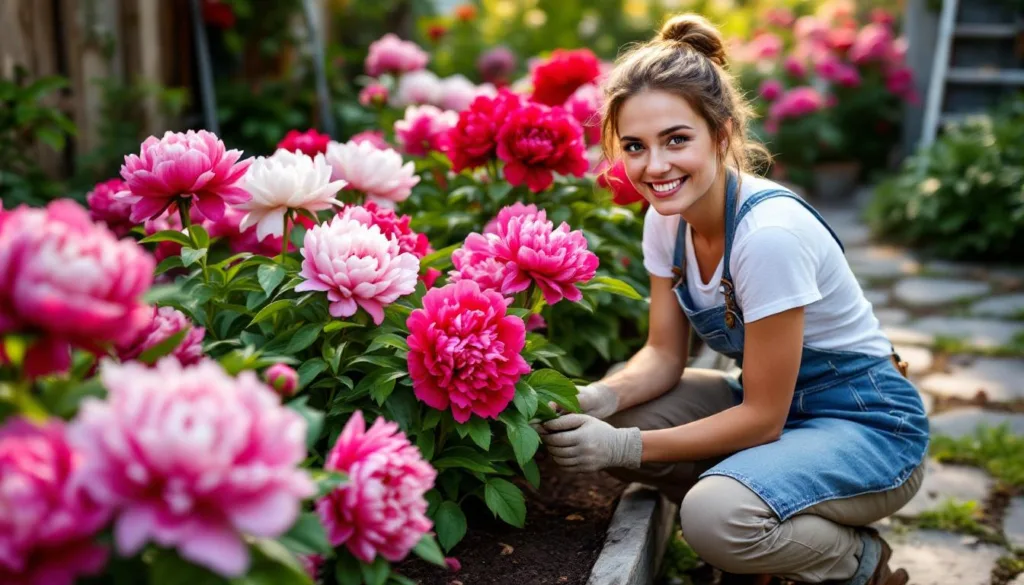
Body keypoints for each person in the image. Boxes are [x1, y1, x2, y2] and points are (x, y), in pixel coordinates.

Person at [536, 13, 928, 585]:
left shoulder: (768, 237)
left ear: (720, 135)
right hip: (780, 411)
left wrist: (621, 446)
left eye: (677, 140)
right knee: (631, 409)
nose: (655, 166)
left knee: (714, 516)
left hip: (867, 427)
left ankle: (858, 564)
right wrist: (599, 399)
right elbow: (664, 356)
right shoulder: (664, 223)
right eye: (635, 147)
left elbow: (763, 417)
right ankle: (769, 532)